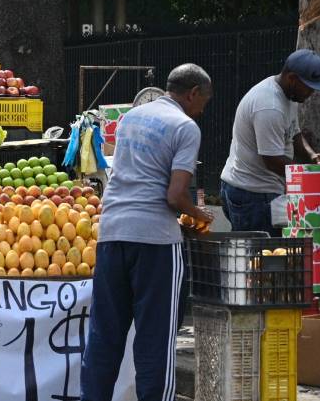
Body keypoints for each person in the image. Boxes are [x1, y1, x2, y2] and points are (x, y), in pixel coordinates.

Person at [81, 63, 215, 401]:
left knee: (104, 335)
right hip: (155, 240)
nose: (202, 111)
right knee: (155, 339)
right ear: (193, 93)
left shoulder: (131, 118)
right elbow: (175, 196)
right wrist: (199, 214)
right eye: (204, 102)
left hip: (111, 232)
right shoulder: (186, 127)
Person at [220, 49, 320, 235]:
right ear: (292, 78)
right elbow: (272, 161)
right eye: (309, 87)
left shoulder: (290, 96)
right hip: (252, 195)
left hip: (263, 191)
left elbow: (294, 133)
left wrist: (311, 156)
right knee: (260, 259)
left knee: (273, 257)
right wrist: (308, 178)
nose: (311, 92)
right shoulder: (269, 106)